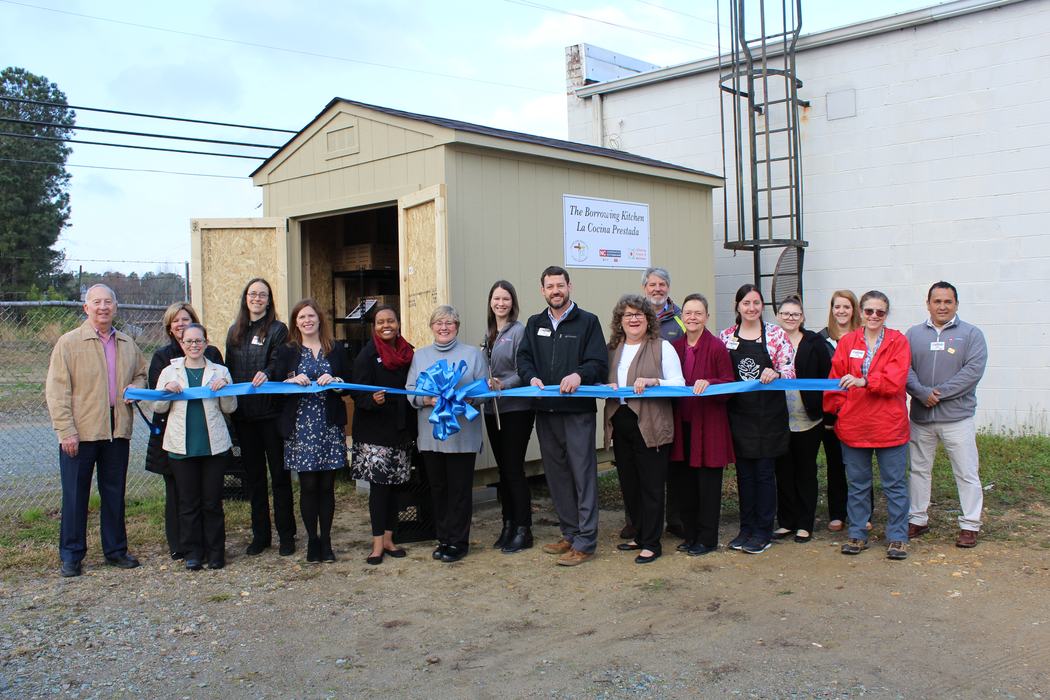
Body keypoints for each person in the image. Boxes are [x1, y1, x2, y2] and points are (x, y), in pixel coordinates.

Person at [45, 284, 147, 577]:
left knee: (114, 494)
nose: (103, 307)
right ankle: (72, 555)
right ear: (86, 308)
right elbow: (57, 391)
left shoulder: (127, 343)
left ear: (115, 307)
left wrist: (136, 389)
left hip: (117, 433)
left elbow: (141, 374)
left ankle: (115, 550)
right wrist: (66, 431)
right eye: (96, 302)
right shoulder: (69, 343)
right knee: (75, 496)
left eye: (108, 302)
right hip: (81, 434)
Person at [517, 266, 608, 567]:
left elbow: (598, 363)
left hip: (577, 413)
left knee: (583, 476)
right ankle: (570, 533)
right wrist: (530, 378)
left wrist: (580, 375)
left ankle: (586, 541)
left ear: (570, 286)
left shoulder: (588, 322)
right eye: (549, 286)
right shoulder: (534, 323)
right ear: (542, 291)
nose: (555, 290)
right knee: (556, 476)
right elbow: (524, 358)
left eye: (560, 285)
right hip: (546, 411)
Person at [824, 290, 912, 560]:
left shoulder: (898, 341)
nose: (874, 316)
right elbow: (835, 379)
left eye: (880, 312)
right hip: (855, 425)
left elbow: (895, 380)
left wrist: (865, 381)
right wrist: (838, 409)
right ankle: (858, 533)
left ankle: (897, 537)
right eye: (869, 311)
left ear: (887, 314)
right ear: (860, 312)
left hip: (889, 424)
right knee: (858, 484)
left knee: (895, 484)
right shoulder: (848, 341)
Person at [603, 294, 685, 564]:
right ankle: (638, 534)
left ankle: (652, 542)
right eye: (628, 315)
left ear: (648, 319)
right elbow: (601, 381)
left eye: (639, 314)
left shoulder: (662, 347)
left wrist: (654, 381)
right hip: (622, 420)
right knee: (630, 484)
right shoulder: (613, 348)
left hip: (651, 422)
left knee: (651, 484)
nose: (633, 319)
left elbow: (679, 383)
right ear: (620, 321)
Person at [906, 281, 988, 548]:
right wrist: (920, 393)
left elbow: (972, 372)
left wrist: (937, 393)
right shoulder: (913, 335)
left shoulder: (971, 334)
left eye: (948, 301)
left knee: (966, 472)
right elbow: (904, 370)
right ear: (928, 304)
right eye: (937, 301)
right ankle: (917, 518)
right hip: (921, 418)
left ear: (956, 304)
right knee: (919, 470)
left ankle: (970, 524)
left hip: (957, 418)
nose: (942, 306)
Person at [406, 305, 489, 563]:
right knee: (438, 489)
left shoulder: (473, 354)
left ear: (457, 327)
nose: (444, 327)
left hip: (463, 437)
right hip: (432, 437)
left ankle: (458, 541)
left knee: (460, 491)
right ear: (431, 327)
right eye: (439, 323)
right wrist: (426, 400)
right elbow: (409, 390)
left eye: (449, 322)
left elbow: (483, 390)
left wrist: (462, 399)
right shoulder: (420, 356)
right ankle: (443, 537)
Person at [152, 324, 237, 570]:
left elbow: (230, 408)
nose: (194, 346)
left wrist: (225, 390)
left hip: (214, 447)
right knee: (188, 503)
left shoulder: (219, 371)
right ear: (182, 344)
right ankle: (193, 552)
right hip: (181, 447)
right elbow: (158, 408)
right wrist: (166, 393)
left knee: (212, 502)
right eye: (189, 341)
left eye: (198, 341)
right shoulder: (170, 371)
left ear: (206, 343)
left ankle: (216, 552)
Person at [718, 284, 795, 555]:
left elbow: (790, 369)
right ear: (737, 306)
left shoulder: (775, 335)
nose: (751, 308)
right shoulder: (726, 337)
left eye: (756, 303)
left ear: (763, 306)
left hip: (768, 418)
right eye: (746, 303)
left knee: (763, 475)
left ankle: (763, 530)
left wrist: (776, 373)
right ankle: (746, 528)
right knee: (744, 476)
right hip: (739, 417)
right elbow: (721, 372)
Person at [274, 300, 351, 563]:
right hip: (300, 427)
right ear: (296, 322)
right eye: (301, 317)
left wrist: (337, 381)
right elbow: (274, 385)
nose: (307, 320)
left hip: (328, 426)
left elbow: (349, 384)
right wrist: (290, 381)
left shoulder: (335, 348)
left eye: (311, 316)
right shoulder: (287, 351)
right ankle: (312, 540)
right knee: (308, 486)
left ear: (319, 319)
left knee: (327, 486)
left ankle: (327, 540)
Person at [225, 278, 295, 557]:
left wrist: (267, 372)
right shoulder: (234, 332)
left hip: (271, 415)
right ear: (246, 298)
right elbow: (228, 370)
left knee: (279, 477)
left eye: (262, 295)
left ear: (269, 300)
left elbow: (279, 361)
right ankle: (260, 536)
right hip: (245, 417)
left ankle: (286, 536)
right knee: (254, 480)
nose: (257, 298)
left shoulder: (278, 330)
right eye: (252, 294)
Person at [669, 293, 735, 556]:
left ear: (706, 316)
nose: (693, 317)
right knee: (685, 485)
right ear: (681, 317)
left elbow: (729, 383)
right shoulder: (675, 347)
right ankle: (690, 533)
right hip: (682, 426)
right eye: (688, 313)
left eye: (698, 313)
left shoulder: (717, 347)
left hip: (708, 427)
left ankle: (707, 539)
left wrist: (711, 383)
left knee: (707, 486)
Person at [350, 305, 416, 565]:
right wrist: (371, 400)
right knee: (379, 490)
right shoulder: (366, 355)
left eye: (390, 320)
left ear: (398, 324)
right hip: (374, 434)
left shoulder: (408, 352)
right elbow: (356, 392)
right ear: (374, 327)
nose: (386, 325)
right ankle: (377, 543)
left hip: (400, 431)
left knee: (396, 489)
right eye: (380, 322)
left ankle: (389, 538)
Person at [482, 281, 535, 554]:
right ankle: (508, 523)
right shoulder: (490, 332)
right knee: (503, 471)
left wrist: (504, 384)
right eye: (496, 298)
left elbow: (524, 369)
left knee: (514, 469)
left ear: (512, 303)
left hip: (516, 410)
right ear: (490, 302)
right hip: (493, 410)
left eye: (505, 299)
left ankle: (524, 528)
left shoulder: (519, 331)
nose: (500, 303)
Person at [772, 295, 831, 544]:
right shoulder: (771, 341)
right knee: (783, 471)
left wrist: (828, 414)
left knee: (805, 471)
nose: (790, 318)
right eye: (785, 313)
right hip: (777, 417)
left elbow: (827, 377)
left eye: (795, 314)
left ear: (803, 317)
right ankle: (787, 521)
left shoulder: (815, 342)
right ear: (778, 316)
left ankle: (805, 523)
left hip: (808, 418)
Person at [641, 267, 686, 540]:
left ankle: (676, 519)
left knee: (675, 464)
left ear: (668, 288)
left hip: (674, 401)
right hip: (642, 405)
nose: (657, 289)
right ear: (644, 287)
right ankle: (637, 521)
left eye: (662, 284)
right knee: (643, 467)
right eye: (652, 284)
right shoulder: (633, 316)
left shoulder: (680, 319)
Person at [817, 290, 862, 532]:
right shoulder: (820, 339)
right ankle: (837, 512)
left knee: (859, 466)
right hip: (831, 411)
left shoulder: (865, 338)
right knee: (835, 463)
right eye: (837, 307)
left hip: (859, 410)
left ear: (854, 309)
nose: (841, 311)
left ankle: (862, 512)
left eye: (846, 307)